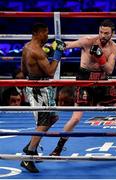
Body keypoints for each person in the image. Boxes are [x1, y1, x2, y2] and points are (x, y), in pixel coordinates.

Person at [50, 19, 116, 156]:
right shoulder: (88, 41)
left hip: (103, 81)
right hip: (84, 81)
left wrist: (100, 57)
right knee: (76, 118)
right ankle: (58, 148)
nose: (103, 35)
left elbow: (109, 70)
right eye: (101, 32)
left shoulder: (114, 47)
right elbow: (66, 45)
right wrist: (54, 46)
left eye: (106, 33)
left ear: (112, 34)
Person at [20, 22, 65, 173]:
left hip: (37, 86)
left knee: (53, 117)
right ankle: (28, 156)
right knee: (44, 120)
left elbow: (22, 69)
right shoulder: (37, 52)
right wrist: (57, 54)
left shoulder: (27, 47)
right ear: (36, 33)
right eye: (44, 33)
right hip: (39, 89)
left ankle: (30, 145)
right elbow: (51, 72)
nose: (47, 35)